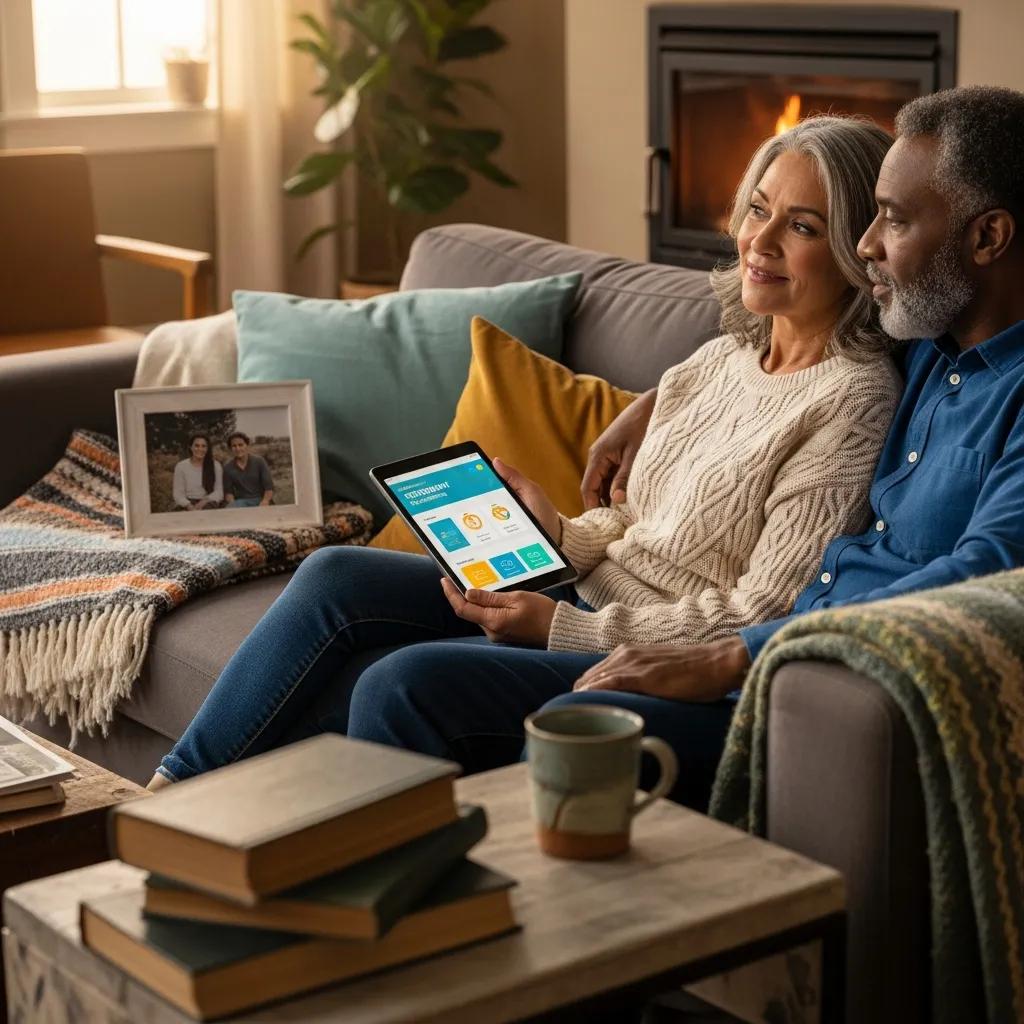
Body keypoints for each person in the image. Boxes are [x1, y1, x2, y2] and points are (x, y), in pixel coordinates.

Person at [148, 115, 902, 804]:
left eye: (801, 226)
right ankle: (163, 799)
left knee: (401, 680)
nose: (761, 241)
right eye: (758, 210)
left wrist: (561, 629)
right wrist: (557, 534)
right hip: (577, 589)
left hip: (648, 650)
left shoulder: (852, 400)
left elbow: (762, 614)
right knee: (334, 573)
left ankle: (363, 880)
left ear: (857, 251)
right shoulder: (719, 359)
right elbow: (637, 523)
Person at [539, 84, 1024, 730]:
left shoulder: (956, 384)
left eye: (894, 220)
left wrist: (734, 655)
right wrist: (648, 406)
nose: (867, 247)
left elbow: (987, 572)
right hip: (769, 647)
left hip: (825, 681)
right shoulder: (930, 341)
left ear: (988, 236)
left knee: (539, 713)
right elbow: (787, 367)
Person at [170, 434, 223, 511]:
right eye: (196, 446)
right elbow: (178, 494)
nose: (200, 449)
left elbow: (219, 492)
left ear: (207, 448)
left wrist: (204, 501)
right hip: (187, 502)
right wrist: (189, 506)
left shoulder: (215, 465)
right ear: (190, 447)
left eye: (203, 446)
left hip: (208, 501)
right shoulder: (181, 466)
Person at [222, 432, 274, 508]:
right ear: (230, 448)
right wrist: (234, 506)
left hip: (261, 500)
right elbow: (228, 493)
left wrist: (265, 502)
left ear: (247, 445)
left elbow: (269, 488)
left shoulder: (259, 461)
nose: (237, 449)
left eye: (240, 445)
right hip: (241, 502)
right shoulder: (228, 467)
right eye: (234, 446)